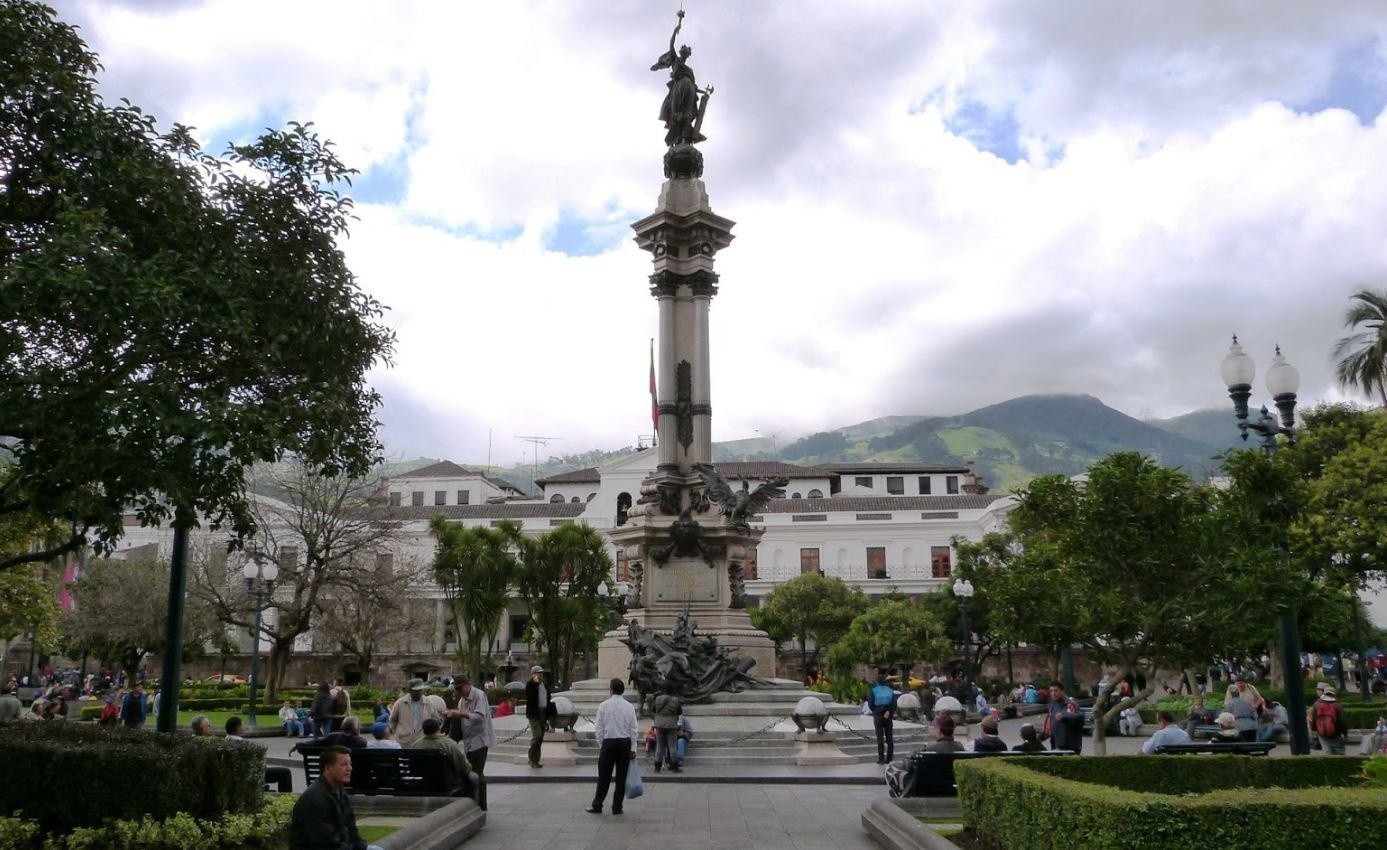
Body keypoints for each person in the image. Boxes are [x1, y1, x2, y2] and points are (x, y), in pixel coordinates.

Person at [289, 745, 385, 850]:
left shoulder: (339, 790)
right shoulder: (315, 799)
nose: (349, 768)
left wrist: (363, 847)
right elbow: (327, 844)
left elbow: (351, 831)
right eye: (344, 765)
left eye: (350, 764)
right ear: (327, 768)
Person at [586, 678, 638, 816]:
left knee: (604, 776)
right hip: (624, 743)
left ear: (611, 689)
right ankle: (617, 806)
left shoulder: (604, 705)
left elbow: (599, 728)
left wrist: (602, 744)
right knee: (621, 777)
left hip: (609, 742)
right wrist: (633, 748)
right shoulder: (629, 706)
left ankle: (598, 804)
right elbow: (634, 729)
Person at [445, 676, 493, 810]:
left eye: (460, 688)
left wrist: (460, 714)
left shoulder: (479, 695)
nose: (459, 692)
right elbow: (462, 720)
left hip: (480, 740)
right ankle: (476, 802)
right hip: (469, 740)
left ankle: (480, 804)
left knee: (476, 773)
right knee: (472, 772)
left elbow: (479, 717)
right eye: (457, 689)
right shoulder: (462, 700)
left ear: (467, 685)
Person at [413, 718, 474, 797]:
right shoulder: (449, 744)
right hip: (446, 782)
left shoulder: (416, 745)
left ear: (424, 730)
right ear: (438, 729)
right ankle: (474, 806)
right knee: (474, 778)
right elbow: (464, 766)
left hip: (424, 781)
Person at [389, 679, 446, 747]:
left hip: (421, 741)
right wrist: (399, 732)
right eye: (416, 691)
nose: (419, 693)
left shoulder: (428, 703)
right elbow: (393, 720)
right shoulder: (400, 703)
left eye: (421, 690)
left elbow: (436, 719)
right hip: (404, 741)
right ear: (410, 691)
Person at [524, 665, 557, 768]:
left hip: (543, 713)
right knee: (537, 736)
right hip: (534, 714)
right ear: (533, 674)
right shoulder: (530, 685)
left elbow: (548, 698)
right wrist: (534, 683)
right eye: (538, 673)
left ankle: (536, 760)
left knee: (540, 738)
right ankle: (531, 757)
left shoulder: (544, 685)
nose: (540, 675)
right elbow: (529, 696)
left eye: (541, 673)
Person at [1042, 684, 1083, 754]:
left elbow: (1080, 716)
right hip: (1056, 744)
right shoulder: (1053, 705)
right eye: (1051, 691)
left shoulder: (1070, 704)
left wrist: (1064, 715)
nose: (1053, 693)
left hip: (1070, 745)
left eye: (1056, 691)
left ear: (1062, 691)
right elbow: (1049, 725)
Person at [650, 690, 683, 772]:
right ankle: (674, 766)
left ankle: (657, 766)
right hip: (671, 725)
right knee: (672, 746)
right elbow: (680, 711)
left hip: (659, 725)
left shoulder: (657, 699)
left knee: (660, 746)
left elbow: (653, 709)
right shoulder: (675, 700)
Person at [869, 672, 898, 764]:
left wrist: (876, 711)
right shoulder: (890, 690)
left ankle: (881, 759)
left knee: (880, 737)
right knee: (889, 737)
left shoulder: (874, 690)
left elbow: (871, 704)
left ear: (877, 681)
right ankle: (889, 758)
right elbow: (894, 704)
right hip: (888, 715)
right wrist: (889, 711)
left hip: (878, 715)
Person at [1310, 686, 1349, 755]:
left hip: (1322, 734)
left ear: (1324, 693)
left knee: (1327, 753)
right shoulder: (1337, 706)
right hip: (1336, 734)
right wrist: (1345, 734)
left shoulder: (1316, 704)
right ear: (1334, 694)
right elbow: (1343, 722)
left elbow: (1313, 720)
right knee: (1339, 753)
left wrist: (1315, 731)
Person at [298, 716, 370, 750]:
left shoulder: (333, 737)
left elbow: (317, 742)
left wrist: (298, 744)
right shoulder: (361, 742)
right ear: (356, 729)